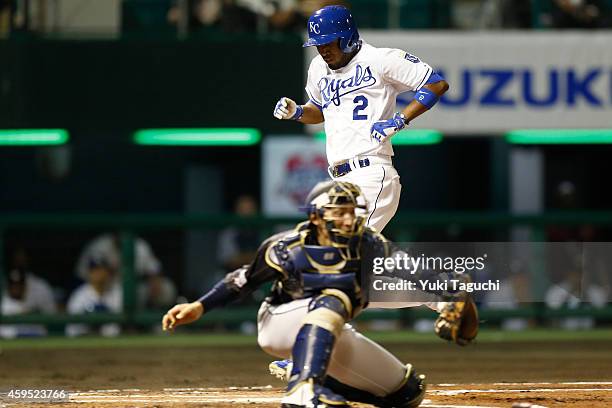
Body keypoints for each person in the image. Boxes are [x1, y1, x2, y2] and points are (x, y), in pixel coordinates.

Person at [163, 181, 431, 408]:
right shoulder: (287, 246)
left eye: (352, 211)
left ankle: (321, 380)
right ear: (316, 216)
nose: (348, 219)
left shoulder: (370, 244)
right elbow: (242, 281)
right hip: (280, 324)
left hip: (334, 331)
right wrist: (199, 306)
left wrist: (454, 293)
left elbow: (413, 270)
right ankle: (302, 388)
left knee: (408, 392)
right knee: (333, 298)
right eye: (339, 212)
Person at [273, 5, 449, 232]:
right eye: (318, 45)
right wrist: (296, 112)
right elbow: (318, 111)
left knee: (345, 249)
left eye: (328, 43)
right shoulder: (318, 67)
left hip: (371, 172)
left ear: (346, 38)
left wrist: (400, 119)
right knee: (328, 251)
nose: (323, 50)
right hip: (339, 180)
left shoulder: (379, 58)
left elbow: (436, 84)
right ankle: (424, 270)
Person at [66, 256, 122, 337]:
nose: (97, 273)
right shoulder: (79, 295)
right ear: (89, 273)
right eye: (94, 270)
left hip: (111, 340)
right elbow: (72, 328)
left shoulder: (117, 292)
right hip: (83, 339)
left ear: (108, 272)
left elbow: (121, 324)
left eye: (101, 269)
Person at [0, 268, 57, 338]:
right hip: (10, 339)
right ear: (9, 286)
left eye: (19, 285)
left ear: (25, 285)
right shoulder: (4, 303)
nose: (16, 288)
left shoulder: (30, 300)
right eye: (13, 285)